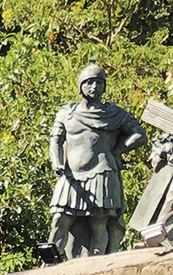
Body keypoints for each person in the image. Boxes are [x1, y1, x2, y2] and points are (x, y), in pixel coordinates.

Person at [45, 63, 147, 261]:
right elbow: (55, 140)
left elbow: (139, 135)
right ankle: (49, 260)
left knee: (99, 222)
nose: (94, 87)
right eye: (90, 82)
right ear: (81, 85)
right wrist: (57, 162)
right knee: (60, 218)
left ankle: (99, 262)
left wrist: (116, 151)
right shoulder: (67, 112)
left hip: (102, 172)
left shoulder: (115, 114)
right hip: (71, 175)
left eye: (99, 83)